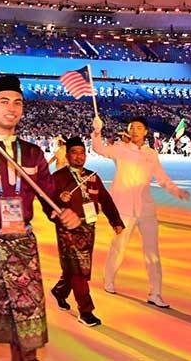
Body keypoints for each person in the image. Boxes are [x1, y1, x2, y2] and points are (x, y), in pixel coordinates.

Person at [0, 75, 81, 361]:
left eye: (17, 102)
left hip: (22, 246)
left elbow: (47, 195)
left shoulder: (32, 152)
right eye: (4, 102)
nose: (12, 108)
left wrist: (61, 214)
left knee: (26, 332)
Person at [92, 115, 191, 308]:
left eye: (139, 127)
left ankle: (155, 293)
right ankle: (109, 281)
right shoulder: (120, 149)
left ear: (145, 131)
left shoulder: (151, 154)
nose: (135, 130)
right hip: (123, 208)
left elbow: (161, 177)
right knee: (118, 247)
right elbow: (99, 149)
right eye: (132, 127)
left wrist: (176, 191)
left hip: (146, 209)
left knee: (152, 253)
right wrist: (97, 131)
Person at [49, 136, 125, 327]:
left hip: (88, 227)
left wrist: (115, 221)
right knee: (79, 269)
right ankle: (86, 310)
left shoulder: (92, 176)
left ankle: (59, 291)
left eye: (82, 153)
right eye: (74, 153)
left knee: (76, 267)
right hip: (68, 228)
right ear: (67, 156)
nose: (79, 156)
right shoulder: (58, 178)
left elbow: (105, 200)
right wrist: (59, 199)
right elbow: (46, 201)